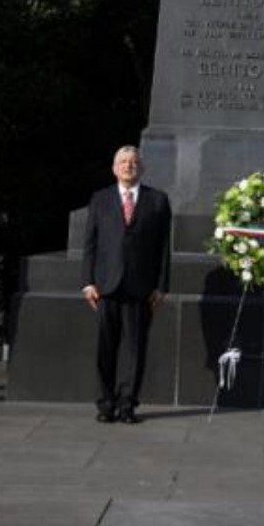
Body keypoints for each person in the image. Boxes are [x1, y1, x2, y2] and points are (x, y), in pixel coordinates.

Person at [80, 145, 172, 423]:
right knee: (105, 348)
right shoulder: (100, 199)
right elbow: (91, 244)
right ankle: (105, 404)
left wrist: (161, 286)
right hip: (106, 285)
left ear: (141, 168)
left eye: (133, 162)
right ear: (114, 168)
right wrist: (87, 282)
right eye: (123, 161)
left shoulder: (158, 200)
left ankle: (127, 404)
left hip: (140, 288)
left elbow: (164, 248)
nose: (128, 165)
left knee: (134, 349)